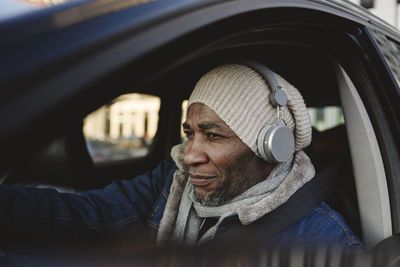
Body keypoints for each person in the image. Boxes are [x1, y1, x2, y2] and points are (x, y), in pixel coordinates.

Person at [0, 63, 363, 254]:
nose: (189, 155)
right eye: (190, 133)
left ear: (271, 148)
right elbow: (89, 215)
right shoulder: (170, 182)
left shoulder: (323, 239)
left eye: (213, 135)